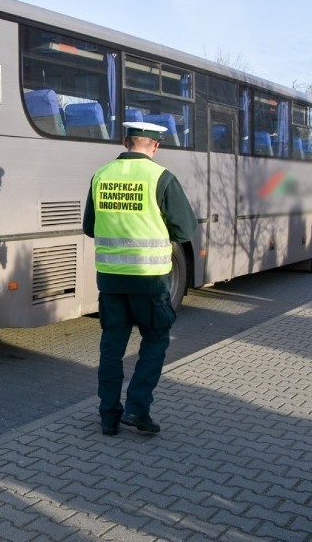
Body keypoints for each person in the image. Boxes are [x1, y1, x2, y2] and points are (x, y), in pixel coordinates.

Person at [82, 121, 196, 437]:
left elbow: (89, 227)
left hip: (111, 281)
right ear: (155, 146)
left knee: (111, 348)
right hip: (150, 280)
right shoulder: (162, 178)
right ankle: (137, 408)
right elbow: (186, 230)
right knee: (156, 339)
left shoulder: (100, 176)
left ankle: (108, 417)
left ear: (125, 141)